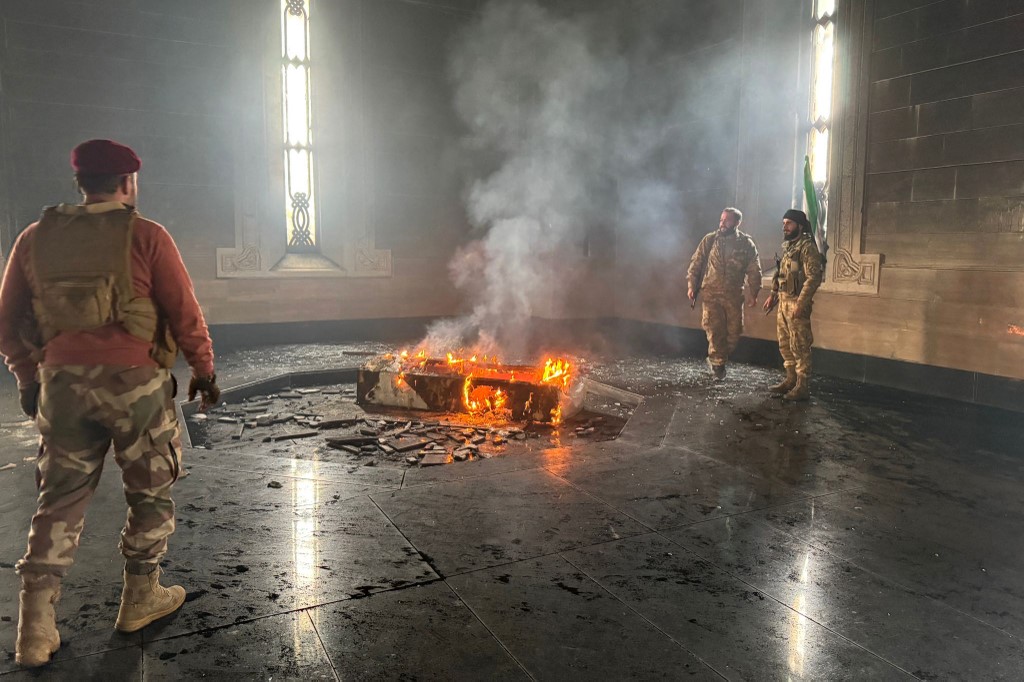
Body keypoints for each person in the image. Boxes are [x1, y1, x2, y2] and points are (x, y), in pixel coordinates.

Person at [0, 139, 221, 667]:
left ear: (81, 182)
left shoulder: (34, 238)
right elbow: (184, 314)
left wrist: (29, 378)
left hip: (62, 389)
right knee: (150, 487)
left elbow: (7, 325)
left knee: (59, 500)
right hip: (136, 387)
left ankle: (34, 627)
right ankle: (139, 597)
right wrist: (205, 371)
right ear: (128, 182)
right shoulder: (146, 235)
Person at [687, 207, 762, 380]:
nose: (722, 223)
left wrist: (754, 292)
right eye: (721, 219)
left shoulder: (746, 243)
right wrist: (691, 285)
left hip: (734, 295)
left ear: (737, 222)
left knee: (734, 332)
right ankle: (717, 364)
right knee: (714, 330)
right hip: (711, 293)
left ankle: (719, 357)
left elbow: (754, 269)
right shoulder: (710, 240)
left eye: (727, 220)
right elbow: (696, 262)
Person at [762, 209, 823, 401]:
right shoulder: (789, 247)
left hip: (797, 303)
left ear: (799, 225)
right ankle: (790, 380)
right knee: (785, 343)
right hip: (783, 301)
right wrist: (773, 294)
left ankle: (802, 386)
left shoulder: (807, 247)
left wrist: (801, 303)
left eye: (789, 223)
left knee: (800, 345)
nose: (785, 227)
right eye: (784, 223)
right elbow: (781, 273)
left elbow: (813, 278)